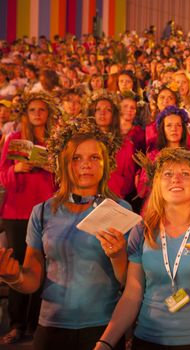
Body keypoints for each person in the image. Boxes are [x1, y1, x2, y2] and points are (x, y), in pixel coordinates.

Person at [0, 121, 130, 349]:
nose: (86, 165)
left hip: (103, 327)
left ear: (106, 163)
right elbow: (32, 279)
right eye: (76, 158)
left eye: (94, 158)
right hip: (52, 326)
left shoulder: (120, 209)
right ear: (62, 163)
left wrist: (118, 255)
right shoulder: (41, 212)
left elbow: (130, 281)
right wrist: (15, 278)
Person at [95, 148, 190, 350]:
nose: (175, 179)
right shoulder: (142, 230)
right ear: (157, 184)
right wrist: (105, 342)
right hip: (147, 340)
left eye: (185, 174)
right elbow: (132, 293)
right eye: (168, 174)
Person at [0, 92, 57, 344]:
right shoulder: (13, 139)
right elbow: (2, 175)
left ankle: (35, 324)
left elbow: (65, 178)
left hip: (46, 210)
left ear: (48, 114)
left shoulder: (55, 141)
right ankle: (16, 324)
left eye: (41, 110)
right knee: (16, 267)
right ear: (26, 113)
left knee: (40, 268)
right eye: (32, 109)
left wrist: (54, 168)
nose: (37, 114)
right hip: (17, 211)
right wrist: (16, 169)